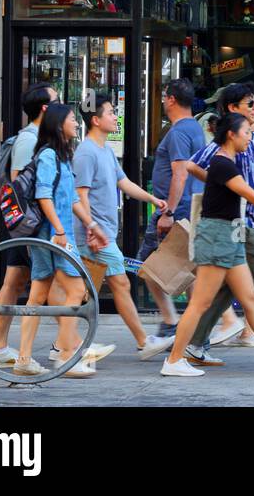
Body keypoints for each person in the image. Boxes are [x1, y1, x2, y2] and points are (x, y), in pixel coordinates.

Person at [160, 113, 254, 377]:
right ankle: (174, 360)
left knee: (251, 299)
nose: (250, 136)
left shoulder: (228, 162)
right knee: (200, 303)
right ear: (231, 134)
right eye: (246, 132)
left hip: (231, 236)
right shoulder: (222, 164)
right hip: (217, 237)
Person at [73, 92, 175, 361]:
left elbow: (124, 182)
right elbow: (80, 195)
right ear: (95, 120)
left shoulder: (105, 150)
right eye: (110, 112)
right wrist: (90, 229)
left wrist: (152, 199)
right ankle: (143, 342)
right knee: (119, 284)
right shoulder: (86, 153)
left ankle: (66, 345)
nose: (115, 116)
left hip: (101, 232)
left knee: (78, 292)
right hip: (96, 235)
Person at [13, 104, 108, 378]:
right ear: (58, 125)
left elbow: (73, 199)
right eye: (71, 120)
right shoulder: (48, 156)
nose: (77, 124)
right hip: (52, 236)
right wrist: (60, 231)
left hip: (54, 235)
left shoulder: (63, 157)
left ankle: (23, 358)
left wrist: (92, 225)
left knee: (38, 295)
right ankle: (67, 356)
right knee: (76, 291)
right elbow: (44, 196)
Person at [0, 84, 56, 369]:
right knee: (42, 280)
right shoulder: (29, 140)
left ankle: (0, 347)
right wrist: (32, 227)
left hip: (29, 223)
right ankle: (67, 345)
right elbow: (19, 184)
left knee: (15, 281)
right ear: (44, 108)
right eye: (57, 101)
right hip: (28, 224)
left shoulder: (40, 137)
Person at [137, 79, 207, 342]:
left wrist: (168, 213)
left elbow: (179, 174)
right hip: (189, 207)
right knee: (188, 270)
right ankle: (194, 331)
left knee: (147, 265)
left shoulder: (178, 132)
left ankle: (170, 323)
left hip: (175, 209)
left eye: (165, 96)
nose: (163, 100)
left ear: (171, 100)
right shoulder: (194, 129)